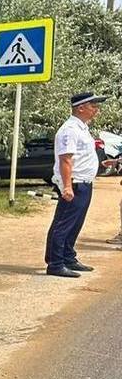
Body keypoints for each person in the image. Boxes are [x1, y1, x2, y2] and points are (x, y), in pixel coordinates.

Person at [45, 92, 108, 278]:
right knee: (63, 224)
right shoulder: (69, 129)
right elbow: (66, 159)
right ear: (80, 108)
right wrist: (67, 186)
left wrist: (101, 164)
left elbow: (80, 156)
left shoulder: (82, 128)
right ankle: (55, 263)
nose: (97, 110)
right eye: (93, 106)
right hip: (74, 184)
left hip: (84, 183)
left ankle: (68, 257)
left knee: (75, 223)